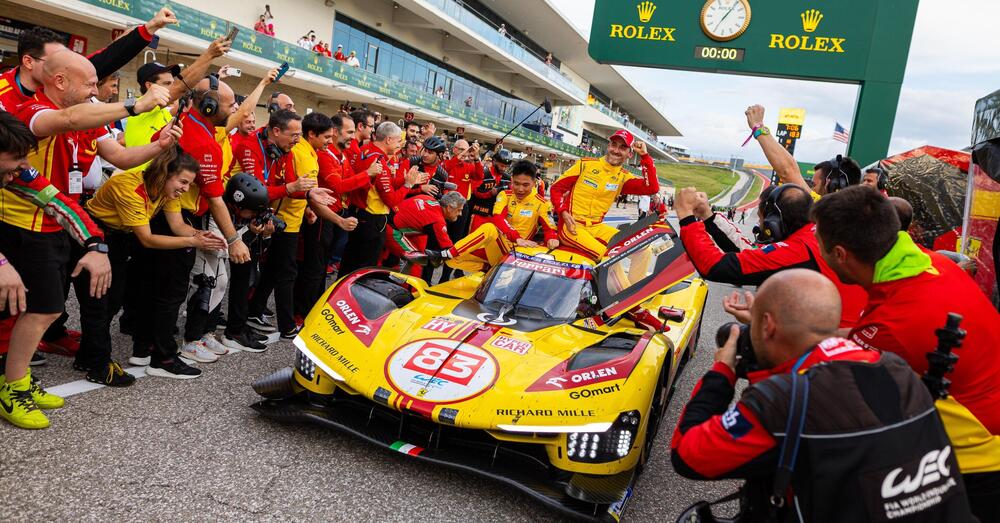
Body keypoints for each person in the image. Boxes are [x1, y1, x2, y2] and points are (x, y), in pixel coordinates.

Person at [671, 269, 973, 522]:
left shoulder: (780, 403)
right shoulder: (897, 370)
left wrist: (721, 371)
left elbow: (687, 455)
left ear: (767, 325)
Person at [811, 186, 1000, 520]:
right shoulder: (931, 264)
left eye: (819, 243)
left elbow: (827, 385)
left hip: (976, 464)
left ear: (839, 254)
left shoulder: (894, 324)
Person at [0, 112, 110, 429]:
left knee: (20, 306)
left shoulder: (18, 171)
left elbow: (59, 202)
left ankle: (13, 381)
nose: (22, 167)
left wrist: (95, 245)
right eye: (16, 158)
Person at [85, 146, 226, 375]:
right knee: (105, 300)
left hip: (121, 236)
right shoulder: (130, 188)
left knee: (125, 295)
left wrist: (200, 235)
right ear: (164, 173)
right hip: (96, 233)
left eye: (189, 184)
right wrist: (194, 242)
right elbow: (148, 239)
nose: (185, 189)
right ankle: (95, 362)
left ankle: (96, 356)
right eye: (183, 182)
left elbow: (177, 226)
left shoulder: (164, 189)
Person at [246, 111, 337, 338]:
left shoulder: (307, 151)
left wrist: (308, 202)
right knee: (286, 272)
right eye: (326, 137)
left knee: (275, 270)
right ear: (312, 134)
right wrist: (311, 199)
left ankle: (253, 311)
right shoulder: (296, 151)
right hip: (281, 219)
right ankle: (287, 326)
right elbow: (286, 185)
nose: (330, 142)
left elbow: (299, 187)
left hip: (292, 220)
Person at [0, 8, 178, 112]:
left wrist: (151, 27)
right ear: (28, 61)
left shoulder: (63, 80)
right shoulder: (3, 94)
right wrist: (135, 106)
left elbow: (110, 57)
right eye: (54, 60)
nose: (64, 66)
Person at [415, 160, 558, 272]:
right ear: (512, 180)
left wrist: (552, 238)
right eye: (516, 183)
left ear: (535, 182)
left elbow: (549, 228)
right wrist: (516, 237)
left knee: (488, 228)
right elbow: (497, 217)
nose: (520, 189)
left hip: (518, 253)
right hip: (499, 247)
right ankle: (489, 269)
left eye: (526, 185)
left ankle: (444, 254)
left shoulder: (543, 203)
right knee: (453, 260)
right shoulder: (505, 195)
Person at [293, 113, 365, 317]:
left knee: (321, 266)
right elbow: (339, 185)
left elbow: (352, 182)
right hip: (319, 216)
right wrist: (367, 174)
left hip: (330, 215)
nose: (353, 137)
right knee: (312, 267)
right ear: (335, 132)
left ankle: (312, 308)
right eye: (349, 132)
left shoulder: (336, 155)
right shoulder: (323, 154)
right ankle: (302, 313)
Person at [549, 129, 658, 260]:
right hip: (571, 226)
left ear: (630, 154)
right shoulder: (585, 164)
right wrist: (563, 213)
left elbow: (652, 188)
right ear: (608, 146)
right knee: (608, 255)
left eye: (623, 147)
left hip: (597, 227)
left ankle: (634, 282)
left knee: (643, 249)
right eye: (614, 145)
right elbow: (556, 188)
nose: (616, 151)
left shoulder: (624, 177)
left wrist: (645, 156)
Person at [339, 122, 426, 275]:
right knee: (363, 270)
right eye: (399, 141)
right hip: (371, 220)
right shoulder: (378, 160)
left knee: (350, 263)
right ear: (388, 140)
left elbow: (383, 183)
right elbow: (391, 200)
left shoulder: (366, 150)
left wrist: (407, 180)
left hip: (359, 214)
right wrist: (407, 185)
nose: (400, 145)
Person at [386, 192, 466, 276]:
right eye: (459, 210)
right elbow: (449, 249)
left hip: (388, 220)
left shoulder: (428, 198)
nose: (460, 214)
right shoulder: (437, 221)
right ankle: (405, 287)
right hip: (392, 229)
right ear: (449, 208)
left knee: (421, 248)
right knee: (417, 260)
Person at [468, 148, 512, 233]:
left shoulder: (508, 179)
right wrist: (490, 193)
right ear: (494, 161)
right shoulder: (483, 173)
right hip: (479, 214)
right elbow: (475, 191)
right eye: (502, 166)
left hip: (495, 217)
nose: (504, 169)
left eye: (506, 167)